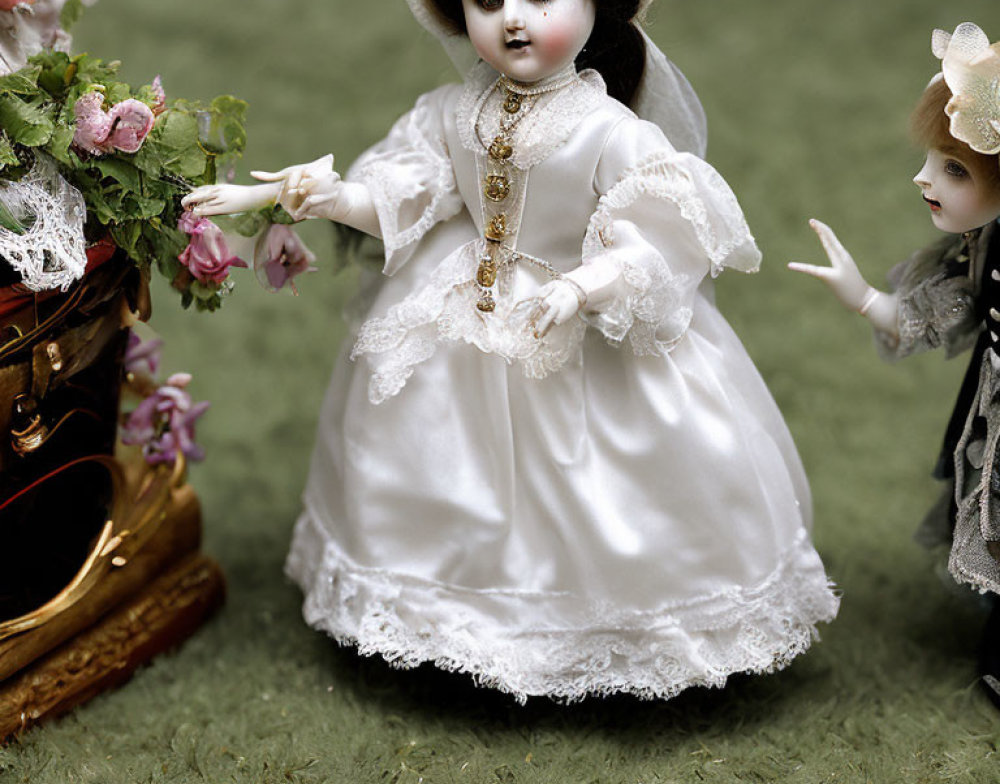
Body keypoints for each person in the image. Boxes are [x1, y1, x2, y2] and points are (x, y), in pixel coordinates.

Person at [185, 0, 838, 702]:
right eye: (488, 3)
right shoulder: (450, 113)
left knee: (584, 483)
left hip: (572, 325)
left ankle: (600, 626)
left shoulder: (608, 130)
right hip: (459, 317)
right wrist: (338, 197)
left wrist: (587, 285)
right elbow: (409, 192)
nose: (514, 20)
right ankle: (449, 615)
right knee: (435, 456)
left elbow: (658, 232)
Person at [790, 22, 1000, 709]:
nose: (925, 179)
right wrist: (864, 297)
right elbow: (943, 309)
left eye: (955, 169)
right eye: (935, 161)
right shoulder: (982, 250)